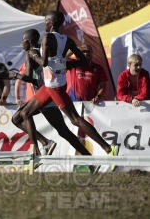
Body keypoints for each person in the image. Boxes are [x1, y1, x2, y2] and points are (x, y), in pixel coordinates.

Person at [18, 11, 118, 163]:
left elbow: (43, 63)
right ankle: (35, 151)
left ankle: (108, 148)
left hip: (54, 87)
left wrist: (33, 56)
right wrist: (64, 63)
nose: (44, 23)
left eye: (46, 21)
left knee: (75, 120)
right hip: (54, 84)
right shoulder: (68, 40)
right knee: (24, 114)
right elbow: (84, 62)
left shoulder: (47, 37)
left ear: (52, 23)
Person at [9, 29, 92, 159]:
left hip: (44, 96)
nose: (21, 44)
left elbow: (30, 78)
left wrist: (15, 75)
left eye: (23, 41)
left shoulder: (31, 53)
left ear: (29, 42)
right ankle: (88, 157)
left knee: (20, 116)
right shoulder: (43, 50)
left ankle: (38, 147)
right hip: (49, 94)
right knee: (63, 131)